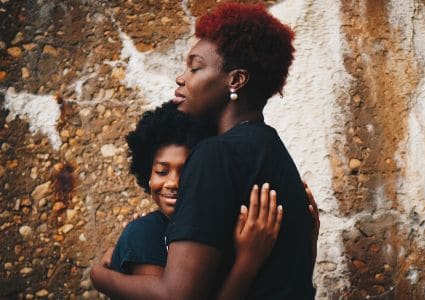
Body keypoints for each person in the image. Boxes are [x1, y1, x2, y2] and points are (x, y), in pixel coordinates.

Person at [91, 3, 317, 299]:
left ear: (235, 80)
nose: (181, 78)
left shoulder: (215, 155)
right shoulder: (271, 150)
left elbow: (178, 295)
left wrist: (101, 277)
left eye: (195, 67)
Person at [108, 103, 282, 283]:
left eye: (187, 171)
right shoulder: (145, 233)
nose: (173, 183)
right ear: (147, 175)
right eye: (162, 171)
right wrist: (247, 263)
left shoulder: (217, 226)